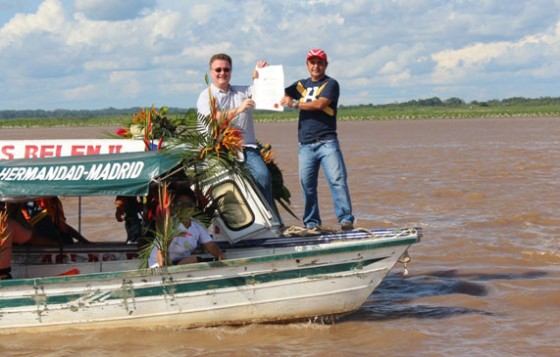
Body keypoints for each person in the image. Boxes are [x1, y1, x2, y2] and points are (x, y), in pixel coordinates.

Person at [281, 48, 355, 231]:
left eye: (320, 62)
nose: (316, 66)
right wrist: (260, 76)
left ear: (325, 65)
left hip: (327, 142)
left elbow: (320, 104)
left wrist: (295, 104)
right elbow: (276, 91)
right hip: (305, 144)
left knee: (337, 181)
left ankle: (345, 219)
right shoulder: (300, 85)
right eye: (312, 62)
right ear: (307, 65)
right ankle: (312, 223)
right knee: (307, 185)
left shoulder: (331, 84)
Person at [196, 53, 274, 210]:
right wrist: (239, 109)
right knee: (218, 189)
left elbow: (265, 93)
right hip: (216, 151)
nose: (222, 73)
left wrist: (262, 75)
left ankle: (271, 218)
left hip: (246, 149)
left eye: (226, 69)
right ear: (211, 72)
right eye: (218, 69)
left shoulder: (243, 92)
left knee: (263, 176)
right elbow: (212, 118)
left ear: (231, 71)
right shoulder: (206, 96)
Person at [148, 190, 224, 268]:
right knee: (194, 260)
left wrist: (222, 258)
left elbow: (211, 246)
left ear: (194, 207)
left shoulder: (197, 226)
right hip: (160, 265)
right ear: (175, 207)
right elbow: (160, 249)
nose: (184, 208)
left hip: (183, 263)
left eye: (188, 205)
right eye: (180, 204)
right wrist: (162, 270)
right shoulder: (170, 225)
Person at [23, 197, 90, 244]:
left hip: (59, 238)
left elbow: (62, 225)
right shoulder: (38, 202)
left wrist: (83, 241)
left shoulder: (53, 201)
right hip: (50, 240)